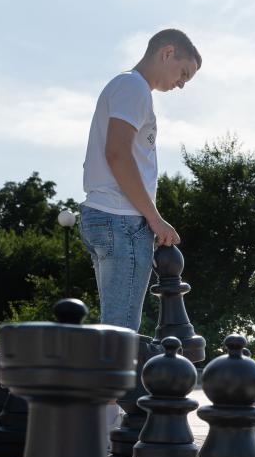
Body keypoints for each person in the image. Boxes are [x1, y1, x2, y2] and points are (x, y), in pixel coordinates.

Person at [79, 28, 201, 331]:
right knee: (121, 333)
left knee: (113, 329)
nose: (181, 84)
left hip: (106, 215)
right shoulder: (134, 87)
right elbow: (118, 154)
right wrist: (155, 220)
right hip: (121, 219)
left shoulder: (126, 86)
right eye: (184, 74)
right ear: (168, 53)